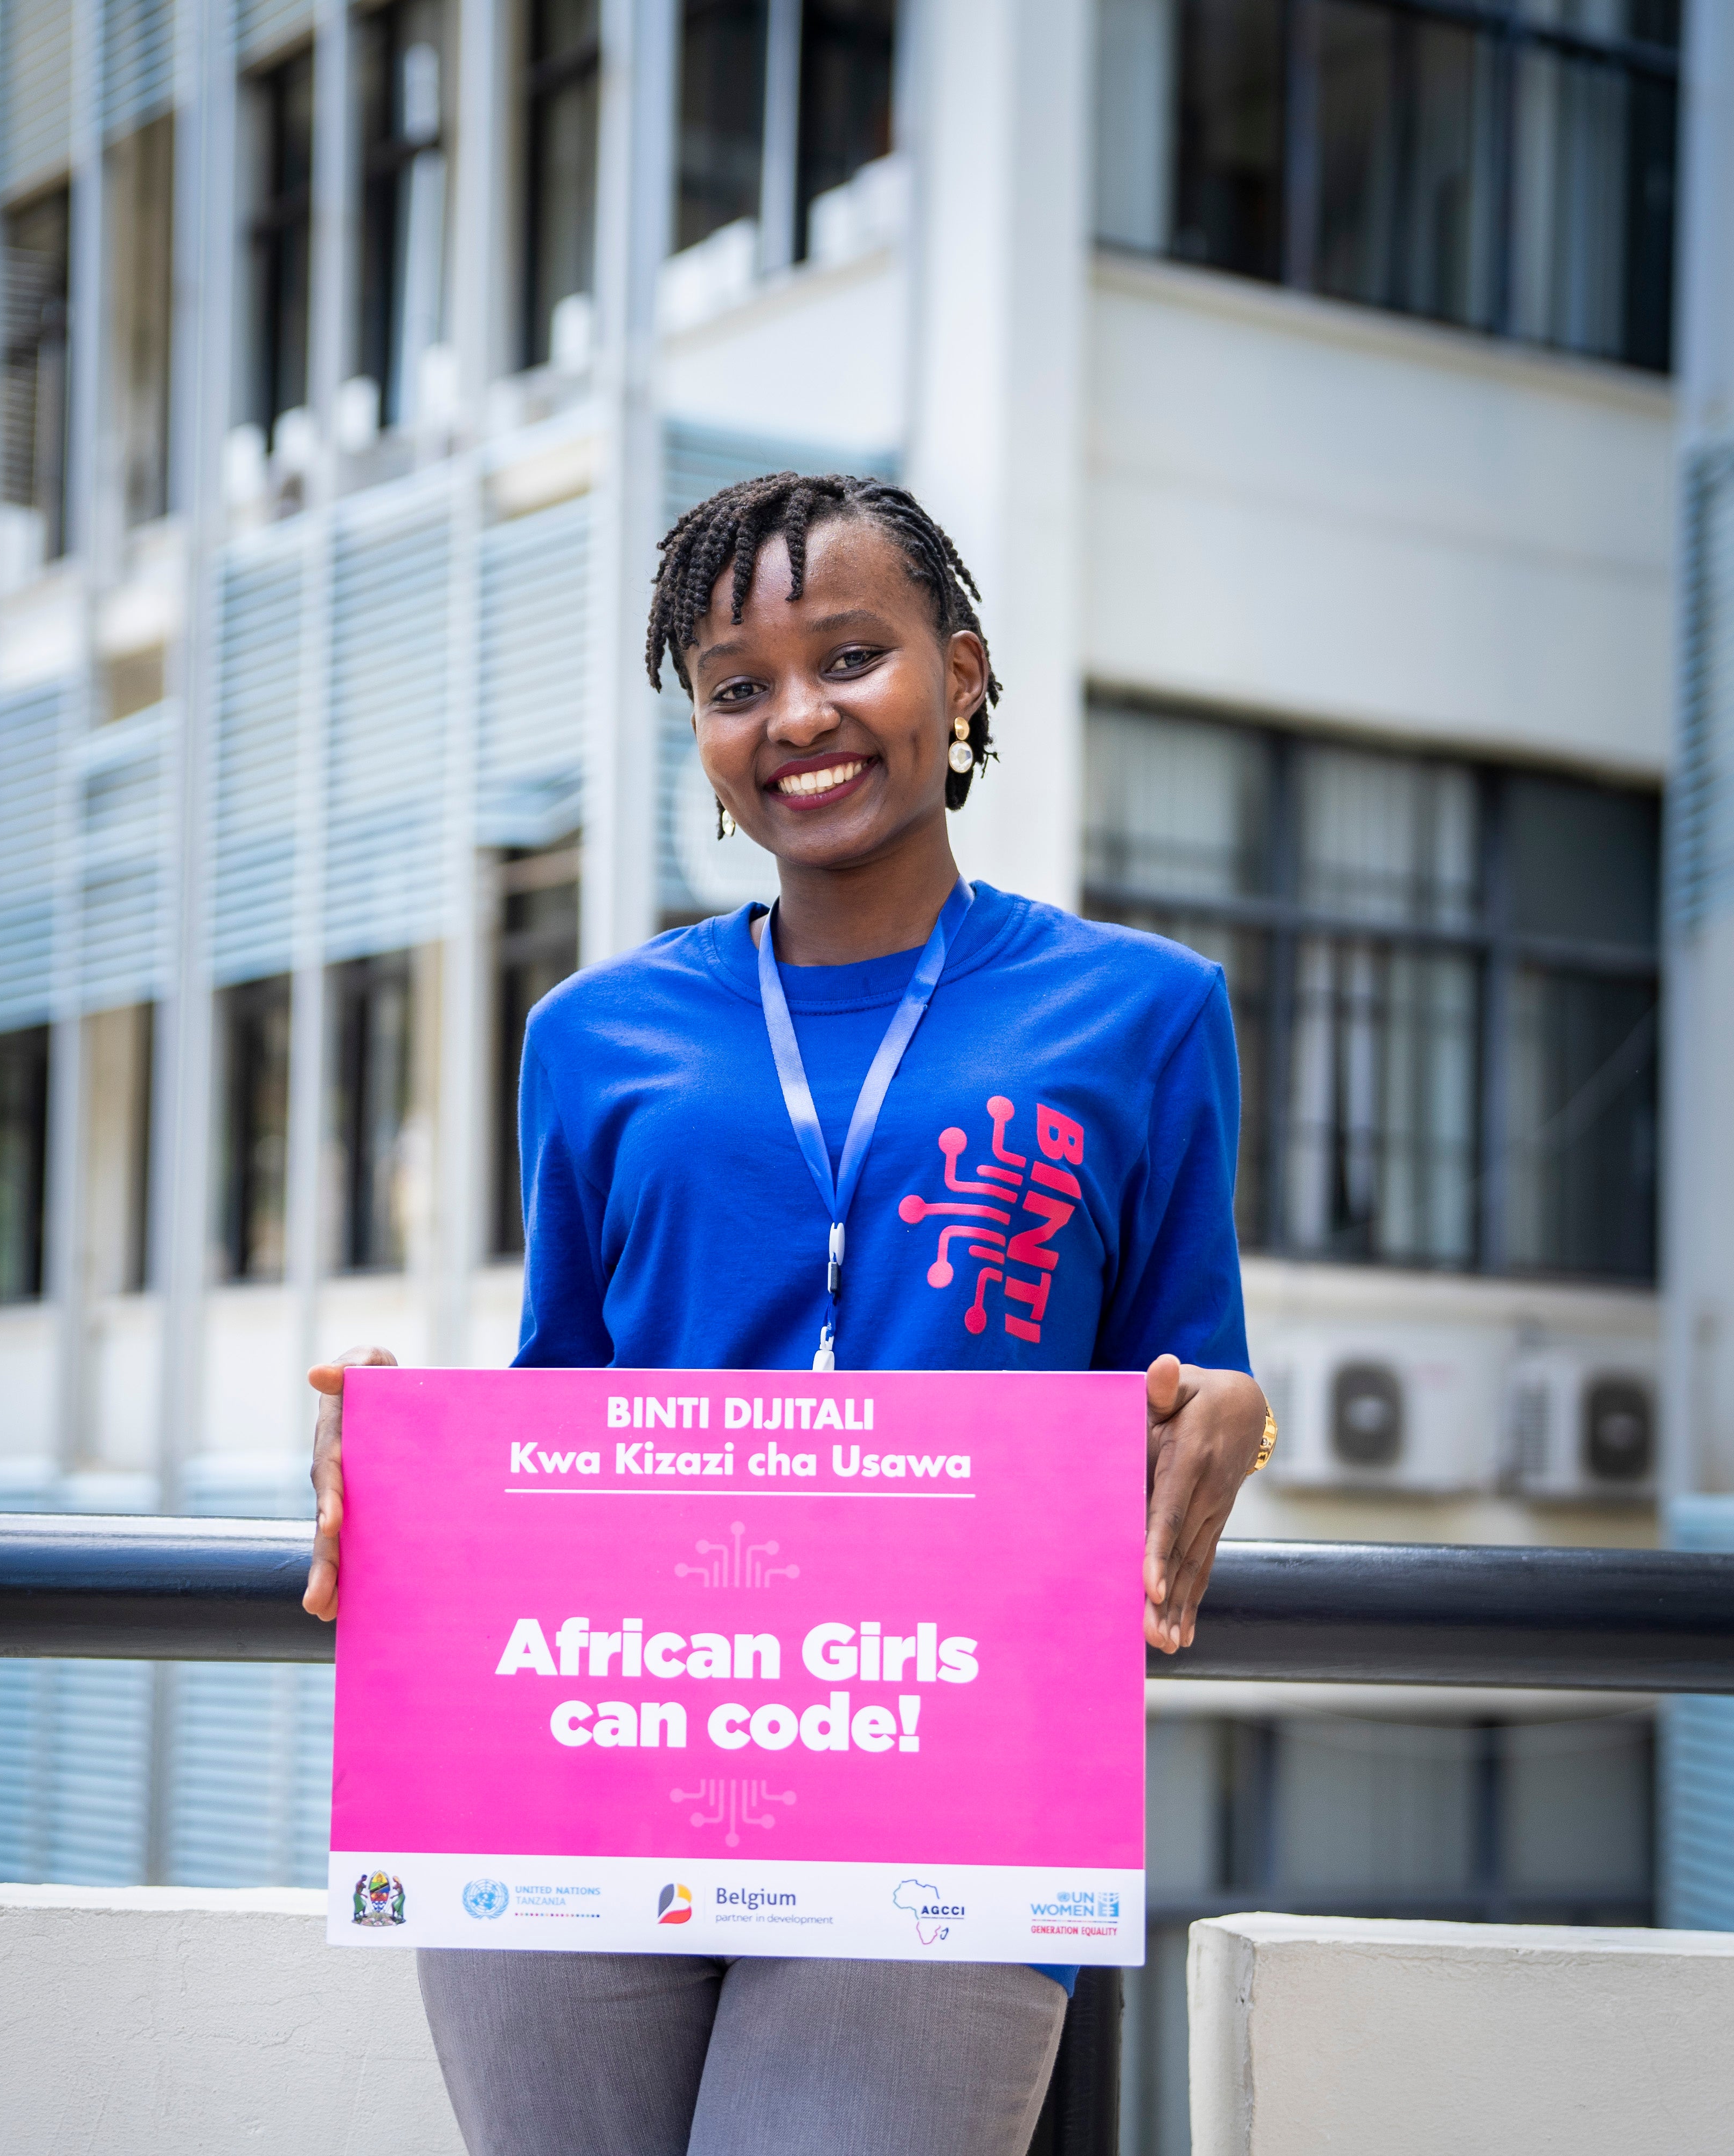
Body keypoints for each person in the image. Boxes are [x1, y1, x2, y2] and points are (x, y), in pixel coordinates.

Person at [303, 471, 1272, 2156]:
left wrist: (1240, 1405)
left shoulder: (1146, 1014)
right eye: (737, 688)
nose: (797, 720)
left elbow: (1188, 1360)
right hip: (594, 1747)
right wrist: (396, 1446)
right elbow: (568, 1406)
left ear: (960, 674)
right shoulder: (591, 1035)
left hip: (948, 1765)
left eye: (850, 658)